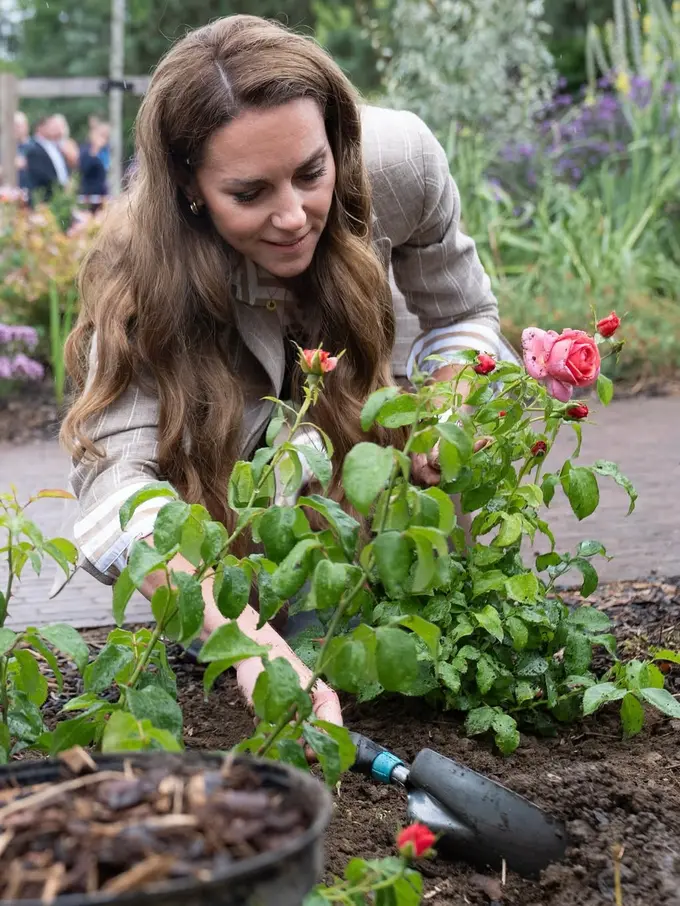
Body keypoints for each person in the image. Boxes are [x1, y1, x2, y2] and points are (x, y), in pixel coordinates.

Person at [61, 15, 510, 728]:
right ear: (190, 187)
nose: (294, 216)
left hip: (365, 466)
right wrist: (247, 645)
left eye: (310, 173)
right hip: (238, 505)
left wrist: (450, 409)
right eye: (249, 194)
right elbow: (117, 489)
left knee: (405, 626)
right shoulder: (140, 265)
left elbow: (462, 316)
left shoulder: (398, 164)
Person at [24, 114, 70, 203]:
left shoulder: (55, 146)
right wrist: (60, 186)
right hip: (46, 198)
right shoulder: (34, 149)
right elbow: (40, 175)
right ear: (40, 128)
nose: (52, 129)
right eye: (50, 126)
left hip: (60, 196)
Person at [79, 121, 110, 209]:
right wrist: (95, 149)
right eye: (102, 136)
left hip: (102, 193)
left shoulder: (105, 151)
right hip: (89, 195)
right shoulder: (86, 150)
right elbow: (84, 169)